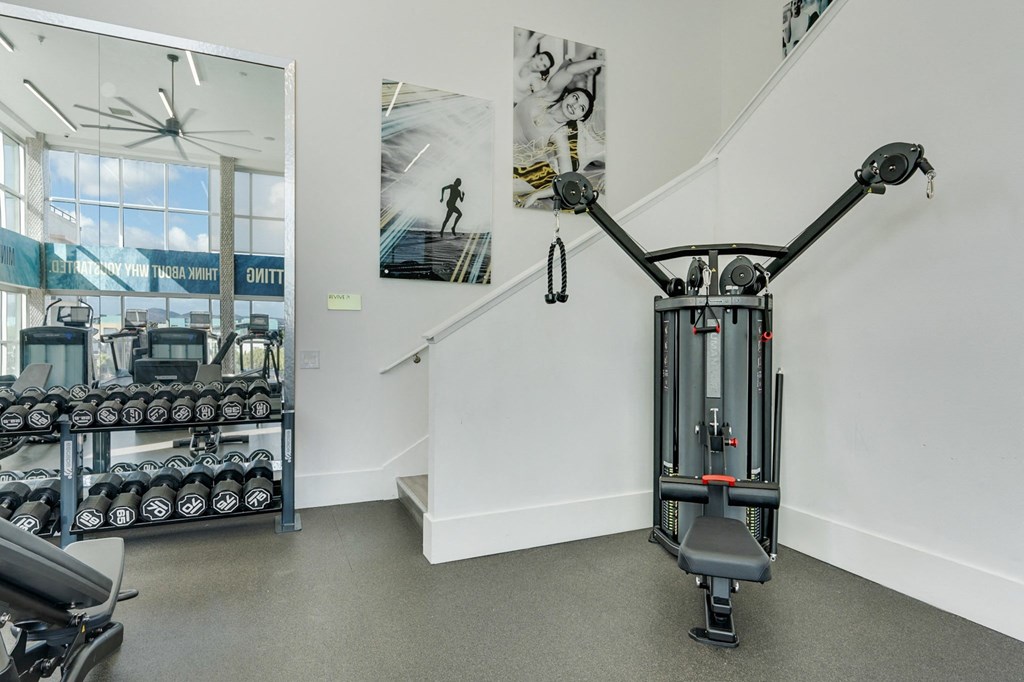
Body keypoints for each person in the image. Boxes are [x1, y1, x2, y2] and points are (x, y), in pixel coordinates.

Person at [513, 55, 604, 207]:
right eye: (575, 98)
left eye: (581, 108)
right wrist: (604, 62)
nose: (574, 105)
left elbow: (568, 180)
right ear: (567, 94)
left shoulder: (559, 135)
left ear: (581, 118)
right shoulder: (548, 94)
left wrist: (537, 195)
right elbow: (570, 69)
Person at [513, 28, 554, 104]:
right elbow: (536, 37)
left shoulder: (535, 78)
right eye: (541, 59)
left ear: (543, 69)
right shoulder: (524, 56)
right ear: (536, 55)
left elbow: (538, 98)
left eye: (544, 65)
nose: (540, 64)